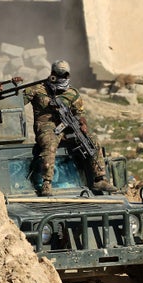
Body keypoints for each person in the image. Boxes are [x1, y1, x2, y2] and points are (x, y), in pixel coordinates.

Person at [23, 59, 117, 196]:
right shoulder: (38, 89)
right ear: (53, 74)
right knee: (50, 145)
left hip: (68, 126)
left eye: (65, 75)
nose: (63, 78)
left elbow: (80, 113)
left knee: (92, 141)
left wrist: (83, 124)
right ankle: (46, 183)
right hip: (46, 125)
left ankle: (99, 179)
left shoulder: (72, 93)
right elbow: (19, 101)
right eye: (60, 75)